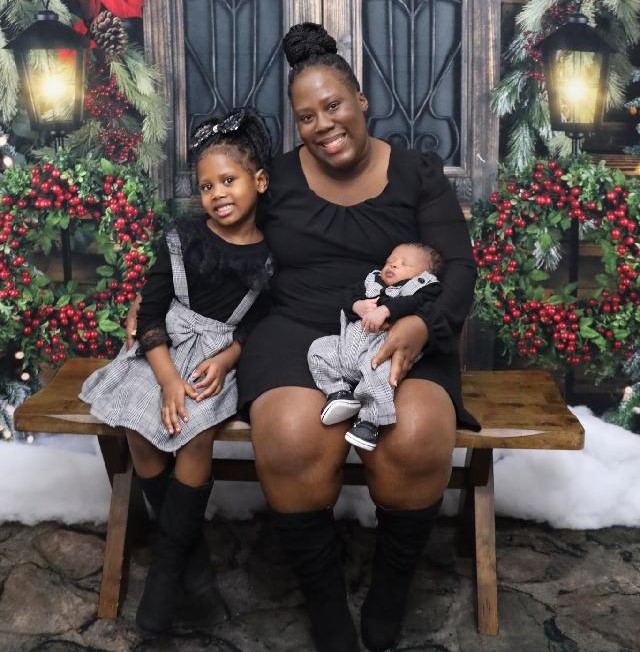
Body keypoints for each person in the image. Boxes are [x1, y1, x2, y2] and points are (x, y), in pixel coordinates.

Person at [234, 23, 481, 652]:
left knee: (418, 433)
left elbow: (458, 268)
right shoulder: (274, 180)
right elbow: (216, 241)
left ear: (361, 102)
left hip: (399, 332)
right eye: (306, 115)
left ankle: (392, 585)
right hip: (295, 330)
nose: (324, 123)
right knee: (292, 440)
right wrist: (156, 305)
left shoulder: (418, 173)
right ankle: (324, 599)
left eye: (334, 105)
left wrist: (422, 326)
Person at [81, 107, 272, 634]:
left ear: (259, 181)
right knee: (143, 430)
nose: (217, 193)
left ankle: (166, 575)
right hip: (159, 349)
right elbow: (148, 312)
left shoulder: (270, 258)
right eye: (206, 185)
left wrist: (229, 356)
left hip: (216, 360)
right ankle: (193, 569)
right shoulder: (181, 240)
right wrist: (165, 378)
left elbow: (260, 324)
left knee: (193, 433)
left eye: (228, 180)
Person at [308, 242, 443, 451]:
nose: (394, 265)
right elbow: (347, 296)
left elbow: (415, 303)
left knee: (383, 377)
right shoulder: (371, 280)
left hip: (379, 355)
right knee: (318, 349)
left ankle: (368, 422)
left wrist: (387, 310)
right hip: (345, 349)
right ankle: (338, 392)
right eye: (390, 260)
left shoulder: (424, 288)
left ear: (423, 275)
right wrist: (357, 305)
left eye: (404, 264)